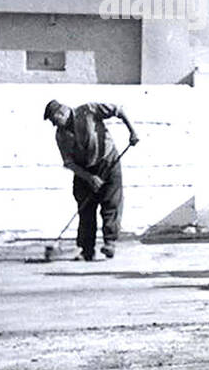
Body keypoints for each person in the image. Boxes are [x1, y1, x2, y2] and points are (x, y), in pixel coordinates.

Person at [44, 99, 140, 261]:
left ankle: (110, 243)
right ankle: (86, 250)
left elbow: (118, 109)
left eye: (55, 120)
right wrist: (89, 178)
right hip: (84, 171)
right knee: (85, 208)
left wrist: (133, 132)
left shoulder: (88, 110)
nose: (55, 125)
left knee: (111, 203)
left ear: (61, 113)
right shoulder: (60, 135)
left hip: (107, 161)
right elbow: (68, 163)